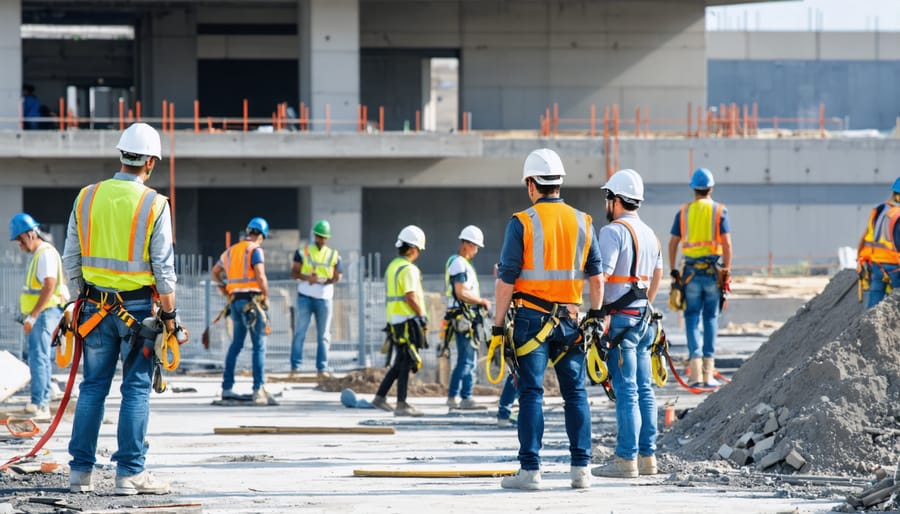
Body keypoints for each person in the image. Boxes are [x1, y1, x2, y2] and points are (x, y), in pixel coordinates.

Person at [62, 122, 177, 495]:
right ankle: (129, 475)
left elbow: (71, 258)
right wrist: (171, 316)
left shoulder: (87, 197)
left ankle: (80, 473)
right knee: (136, 390)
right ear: (151, 162)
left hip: (93, 309)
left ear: (122, 155)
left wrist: (80, 298)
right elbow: (164, 268)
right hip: (139, 311)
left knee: (93, 387)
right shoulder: (154, 204)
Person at [492, 148, 603, 490]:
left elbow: (506, 279)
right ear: (559, 183)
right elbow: (597, 278)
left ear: (531, 184)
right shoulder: (584, 221)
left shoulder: (522, 222)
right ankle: (581, 470)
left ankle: (530, 471)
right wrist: (595, 317)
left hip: (530, 321)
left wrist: (497, 327)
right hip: (571, 321)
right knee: (576, 394)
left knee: (531, 393)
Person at [591, 169, 664, 479]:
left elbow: (601, 276)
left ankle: (625, 460)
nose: (607, 204)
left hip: (620, 321)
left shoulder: (613, 232)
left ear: (616, 199)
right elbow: (658, 274)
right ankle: (648, 458)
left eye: (608, 198)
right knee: (645, 390)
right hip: (644, 319)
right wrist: (646, 301)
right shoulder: (650, 234)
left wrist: (596, 314)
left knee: (627, 391)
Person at [668, 168, 732, 389]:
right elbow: (727, 244)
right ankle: (708, 373)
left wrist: (674, 271)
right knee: (710, 318)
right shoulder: (719, 211)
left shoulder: (684, 212)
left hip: (690, 273)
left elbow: (673, 243)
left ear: (693, 188)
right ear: (710, 188)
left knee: (692, 318)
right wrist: (727, 269)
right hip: (713, 272)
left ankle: (695, 374)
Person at [10, 213, 67, 421]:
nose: (19, 244)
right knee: (39, 357)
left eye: (20, 239)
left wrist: (33, 316)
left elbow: (49, 286)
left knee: (39, 358)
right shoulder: (39, 255)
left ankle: (40, 404)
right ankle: (44, 396)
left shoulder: (44, 254)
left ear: (30, 234)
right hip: (42, 314)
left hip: (44, 314)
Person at [212, 217, 271, 404]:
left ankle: (227, 388)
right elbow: (260, 276)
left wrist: (224, 289)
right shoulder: (255, 250)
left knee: (236, 345)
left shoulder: (230, 251)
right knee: (259, 347)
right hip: (253, 302)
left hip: (235, 302)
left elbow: (215, 272)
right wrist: (266, 296)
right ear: (261, 235)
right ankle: (258, 389)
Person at [372, 225, 428, 417]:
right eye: (419, 250)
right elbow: (410, 297)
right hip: (406, 321)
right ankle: (402, 404)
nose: (418, 253)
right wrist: (422, 315)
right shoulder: (408, 269)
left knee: (400, 362)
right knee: (406, 362)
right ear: (412, 248)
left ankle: (380, 397)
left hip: (394, 321)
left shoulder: (392, 266)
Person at [444, 225, 491, 409]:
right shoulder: (459, 263)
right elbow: (461, 292)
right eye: (476, 246)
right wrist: (481, 301)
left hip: (464, 316)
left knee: (465, 358)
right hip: (464, 317)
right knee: (467, 359)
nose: (477, 250)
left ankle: (457, 396)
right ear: (466, 244)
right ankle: (464, 397)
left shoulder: (461, 263)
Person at [290, 219, 342, 378]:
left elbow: (337, 276)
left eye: (324, 237)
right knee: (300, 332)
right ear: (314, 236)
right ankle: (295, 367)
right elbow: (294, 273)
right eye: (319, 236)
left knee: (324, 335)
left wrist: (325, 280)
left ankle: (322, 368)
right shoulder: (302, 252)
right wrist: (308, 278)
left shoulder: (334, 255)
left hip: (324, 297)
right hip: (305, 296)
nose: (321, 240)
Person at [857, 177, 900, 308]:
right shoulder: (898, 213)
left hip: (876, 262)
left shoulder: (880, 209)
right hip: (894, 264)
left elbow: (868, 236)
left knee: (875, 296)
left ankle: (868, 325)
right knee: (897, 299)